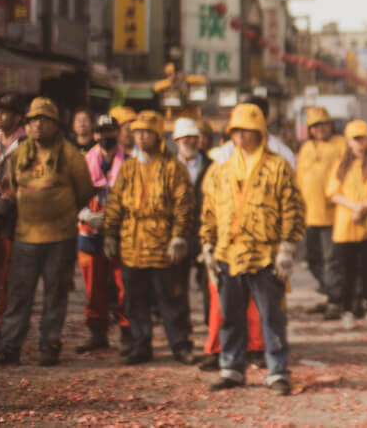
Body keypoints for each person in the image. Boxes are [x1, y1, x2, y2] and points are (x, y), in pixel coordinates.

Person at [200, 103, 305, 396]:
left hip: (265, 256)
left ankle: (277, 370)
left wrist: (287, 248)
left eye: (247, 131)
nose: (241, 137)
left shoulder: (277, 167)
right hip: (227, 254)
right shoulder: (221, 172)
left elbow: (293, 210)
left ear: (260, 133)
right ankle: (231, 368)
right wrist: (207, 245)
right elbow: (209, 211)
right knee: (230, 315)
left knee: (271, 317)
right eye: (236, 131)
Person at [0, 98, 93, 366]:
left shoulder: (70, 154)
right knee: (18, 297)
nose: (38, 124)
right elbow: (10, 188)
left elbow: (84, 191)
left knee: (54, 295)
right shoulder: (19, 155)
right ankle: (9, 347)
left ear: (55, 124)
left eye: (44, 119)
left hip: (60, 238)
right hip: (25, 237)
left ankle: (50, 345)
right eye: (33, 119)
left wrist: (62, 212)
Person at [103, 111, 194, 365]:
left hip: (162, 245)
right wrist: (110, 234)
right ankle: (140, 345)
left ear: (158, 136)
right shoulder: (129, 168)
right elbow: (115, 204)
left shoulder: (173, 167)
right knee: (135, 300)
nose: (141, 137)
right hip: (132, 244)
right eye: (137, 132)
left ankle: (180, 345)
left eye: (147, 133)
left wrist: (179, 236)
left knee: (171, 300)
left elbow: (183, 204)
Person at [75, 114, 131, 355]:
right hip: (90, 232)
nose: (104, 137)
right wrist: (84, 214)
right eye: (100, 132)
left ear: (116, 134)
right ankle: (97, 333)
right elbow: (72, 193)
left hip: (120, 233)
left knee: (124, 286)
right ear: (94, 134)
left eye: (109, 132)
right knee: (93, 287)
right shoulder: (83, 161)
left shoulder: (129, 162)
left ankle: (127, 334)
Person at [326, 120, 367, 329]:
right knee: (347, 272)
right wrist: (354, 207)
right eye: (356, 139)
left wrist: (364, 207)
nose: (361, 143)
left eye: (363, 138)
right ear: (349, 142)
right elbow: (332, 191)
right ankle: (347, 309)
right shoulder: (341, 165)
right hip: (345, 226)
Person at [296, 106, 347, 317]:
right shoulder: (306, 147)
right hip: (309, 215)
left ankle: (337, 300)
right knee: (313, 259)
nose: (319, 129)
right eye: (314, 126)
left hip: (332, 214)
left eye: (322, 124)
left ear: (331, 125)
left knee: (332, 260)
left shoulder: (342, 145)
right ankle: (329, 293)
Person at [0, 95, 25, 327]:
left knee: (7, 278)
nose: (0, 116)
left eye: (6, 112)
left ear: (18, 118)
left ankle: (5, 332)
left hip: (14, 219)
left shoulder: (26, 144)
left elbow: (23, 184)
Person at [172, 118, 213, 321]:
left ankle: (213, 334)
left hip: (204, 233)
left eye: (192, 138)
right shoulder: (167, 168)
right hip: (177, 235)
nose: (189, 142)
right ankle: (182, 338)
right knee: (177, 288)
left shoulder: (212, 167)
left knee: (210, 286)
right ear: (176, 141)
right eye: (184, 138)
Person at [210, 95, 296, 169]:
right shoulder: (227, 151)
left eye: (247, 128)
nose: (240, 135)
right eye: (237, 129)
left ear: (266, 119)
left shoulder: (281, 154)